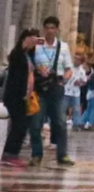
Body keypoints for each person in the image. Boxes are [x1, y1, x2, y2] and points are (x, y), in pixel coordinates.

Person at [33, 16, 74, 165]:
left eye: (52, 28)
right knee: (36, 123)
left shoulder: (63, 47)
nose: (49, 31)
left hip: (56, 87)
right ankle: (36, 154)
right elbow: (29, 63)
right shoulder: (37, 45)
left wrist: (64, 80)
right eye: (47, 28)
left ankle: (62, 155)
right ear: (44, 29)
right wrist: (38, 68)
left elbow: (69, 68)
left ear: (56, 30)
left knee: (60, 122)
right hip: (41, 88)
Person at [1, 29, 41, 168]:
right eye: (33, 39)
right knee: (19, 125)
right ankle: (9, 154)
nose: (35, 42)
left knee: (22, 126)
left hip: (24, 97)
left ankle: (13, 154)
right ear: (26, 38)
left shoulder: (28, 55)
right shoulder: (17, 54)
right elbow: (16, 76)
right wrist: (23, 91)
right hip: (16, 95)